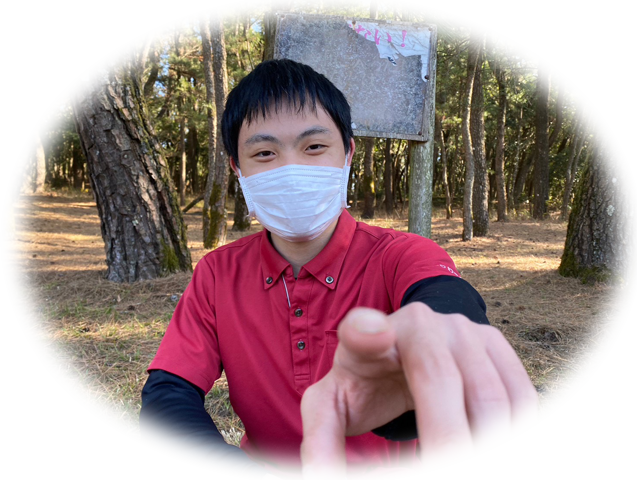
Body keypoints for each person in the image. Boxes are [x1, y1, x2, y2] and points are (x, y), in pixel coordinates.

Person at [85, 59, 537, 480]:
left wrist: (446, 333)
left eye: (314, 146)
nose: (292, 168)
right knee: (125, 470)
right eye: (265, 153)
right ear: (237, 168)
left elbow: (442, 299)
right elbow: (168, 397)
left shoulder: (401, 254)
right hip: (263, 476)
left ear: (348, 154)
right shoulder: (218, 272)